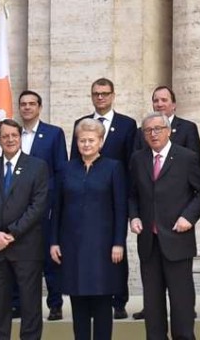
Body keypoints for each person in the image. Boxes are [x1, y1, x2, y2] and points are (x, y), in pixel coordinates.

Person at [128, 112, 200, 340]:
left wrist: (188, 218)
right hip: (149, 244)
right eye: (148, 130)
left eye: (158, 128)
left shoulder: (186, 157)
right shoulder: (137, 159)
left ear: (169, 130)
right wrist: (134, 217)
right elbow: (132, 194)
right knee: (152, 310)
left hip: (177, 241)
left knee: (182, 309)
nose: (153, 134)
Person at [0, 118, 50, 340]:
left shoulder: (37, 166)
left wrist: (12, 233)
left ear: (20, 137)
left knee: (30, 306)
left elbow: (38, 206)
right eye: (5, 136)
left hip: (26, 248)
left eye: (14, 135)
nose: (10, 139)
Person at [50, 118, 127, 340]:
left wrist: (118, 242)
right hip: (72, 246)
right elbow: (57, 208)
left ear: (100, 142)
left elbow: (120, 208)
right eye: (82, 140)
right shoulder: (66, 169)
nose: (86, 144)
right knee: (79, 303)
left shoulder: (113, 167)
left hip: (104, 248)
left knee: (103, 304)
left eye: (91, 140)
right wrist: (54, 241)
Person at [70, 78, 137, 319]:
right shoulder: (81, 124)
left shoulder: (127, 124)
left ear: (113, 95)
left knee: (116, 250)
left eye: (105, 93)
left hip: (116, 195)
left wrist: (129, 202)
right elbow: (73, 161)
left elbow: (132, 163)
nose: (100, 97)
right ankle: (90, 296)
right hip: (89, 195)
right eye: (96, 93)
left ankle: (119, 300)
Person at [17, 90, 69, 320]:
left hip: (46, 205)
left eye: (31, 104)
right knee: (19, 258)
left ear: (39, 107)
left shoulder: (53, 134)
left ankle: (55, 304)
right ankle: (17, 303)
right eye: (23, 104)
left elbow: (61, 170)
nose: (27, 108)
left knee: (51, 257)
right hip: (17, 207)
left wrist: (56, 202)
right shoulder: (12, 133)